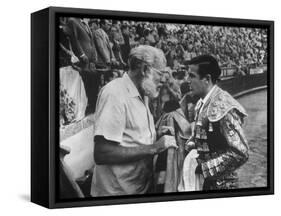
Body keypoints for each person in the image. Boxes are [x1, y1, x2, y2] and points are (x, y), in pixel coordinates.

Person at [91, 45, 177, 196]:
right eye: (160, 73)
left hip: (138, 187)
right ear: (144, 70)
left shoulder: (143, 92)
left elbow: (132, 136)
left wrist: (156, 134)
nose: (163, 79)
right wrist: (154, 148)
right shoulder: (114, 94)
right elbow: (102, 153)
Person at [185, 55, 249, 190]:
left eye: (192, 76)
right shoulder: (201, 103)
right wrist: (192, 144)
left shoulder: (224, 106)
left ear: (207, 79)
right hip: (207, 182)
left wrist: (204, 168)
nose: (187, 80)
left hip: (223, 184)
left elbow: (240, 152)